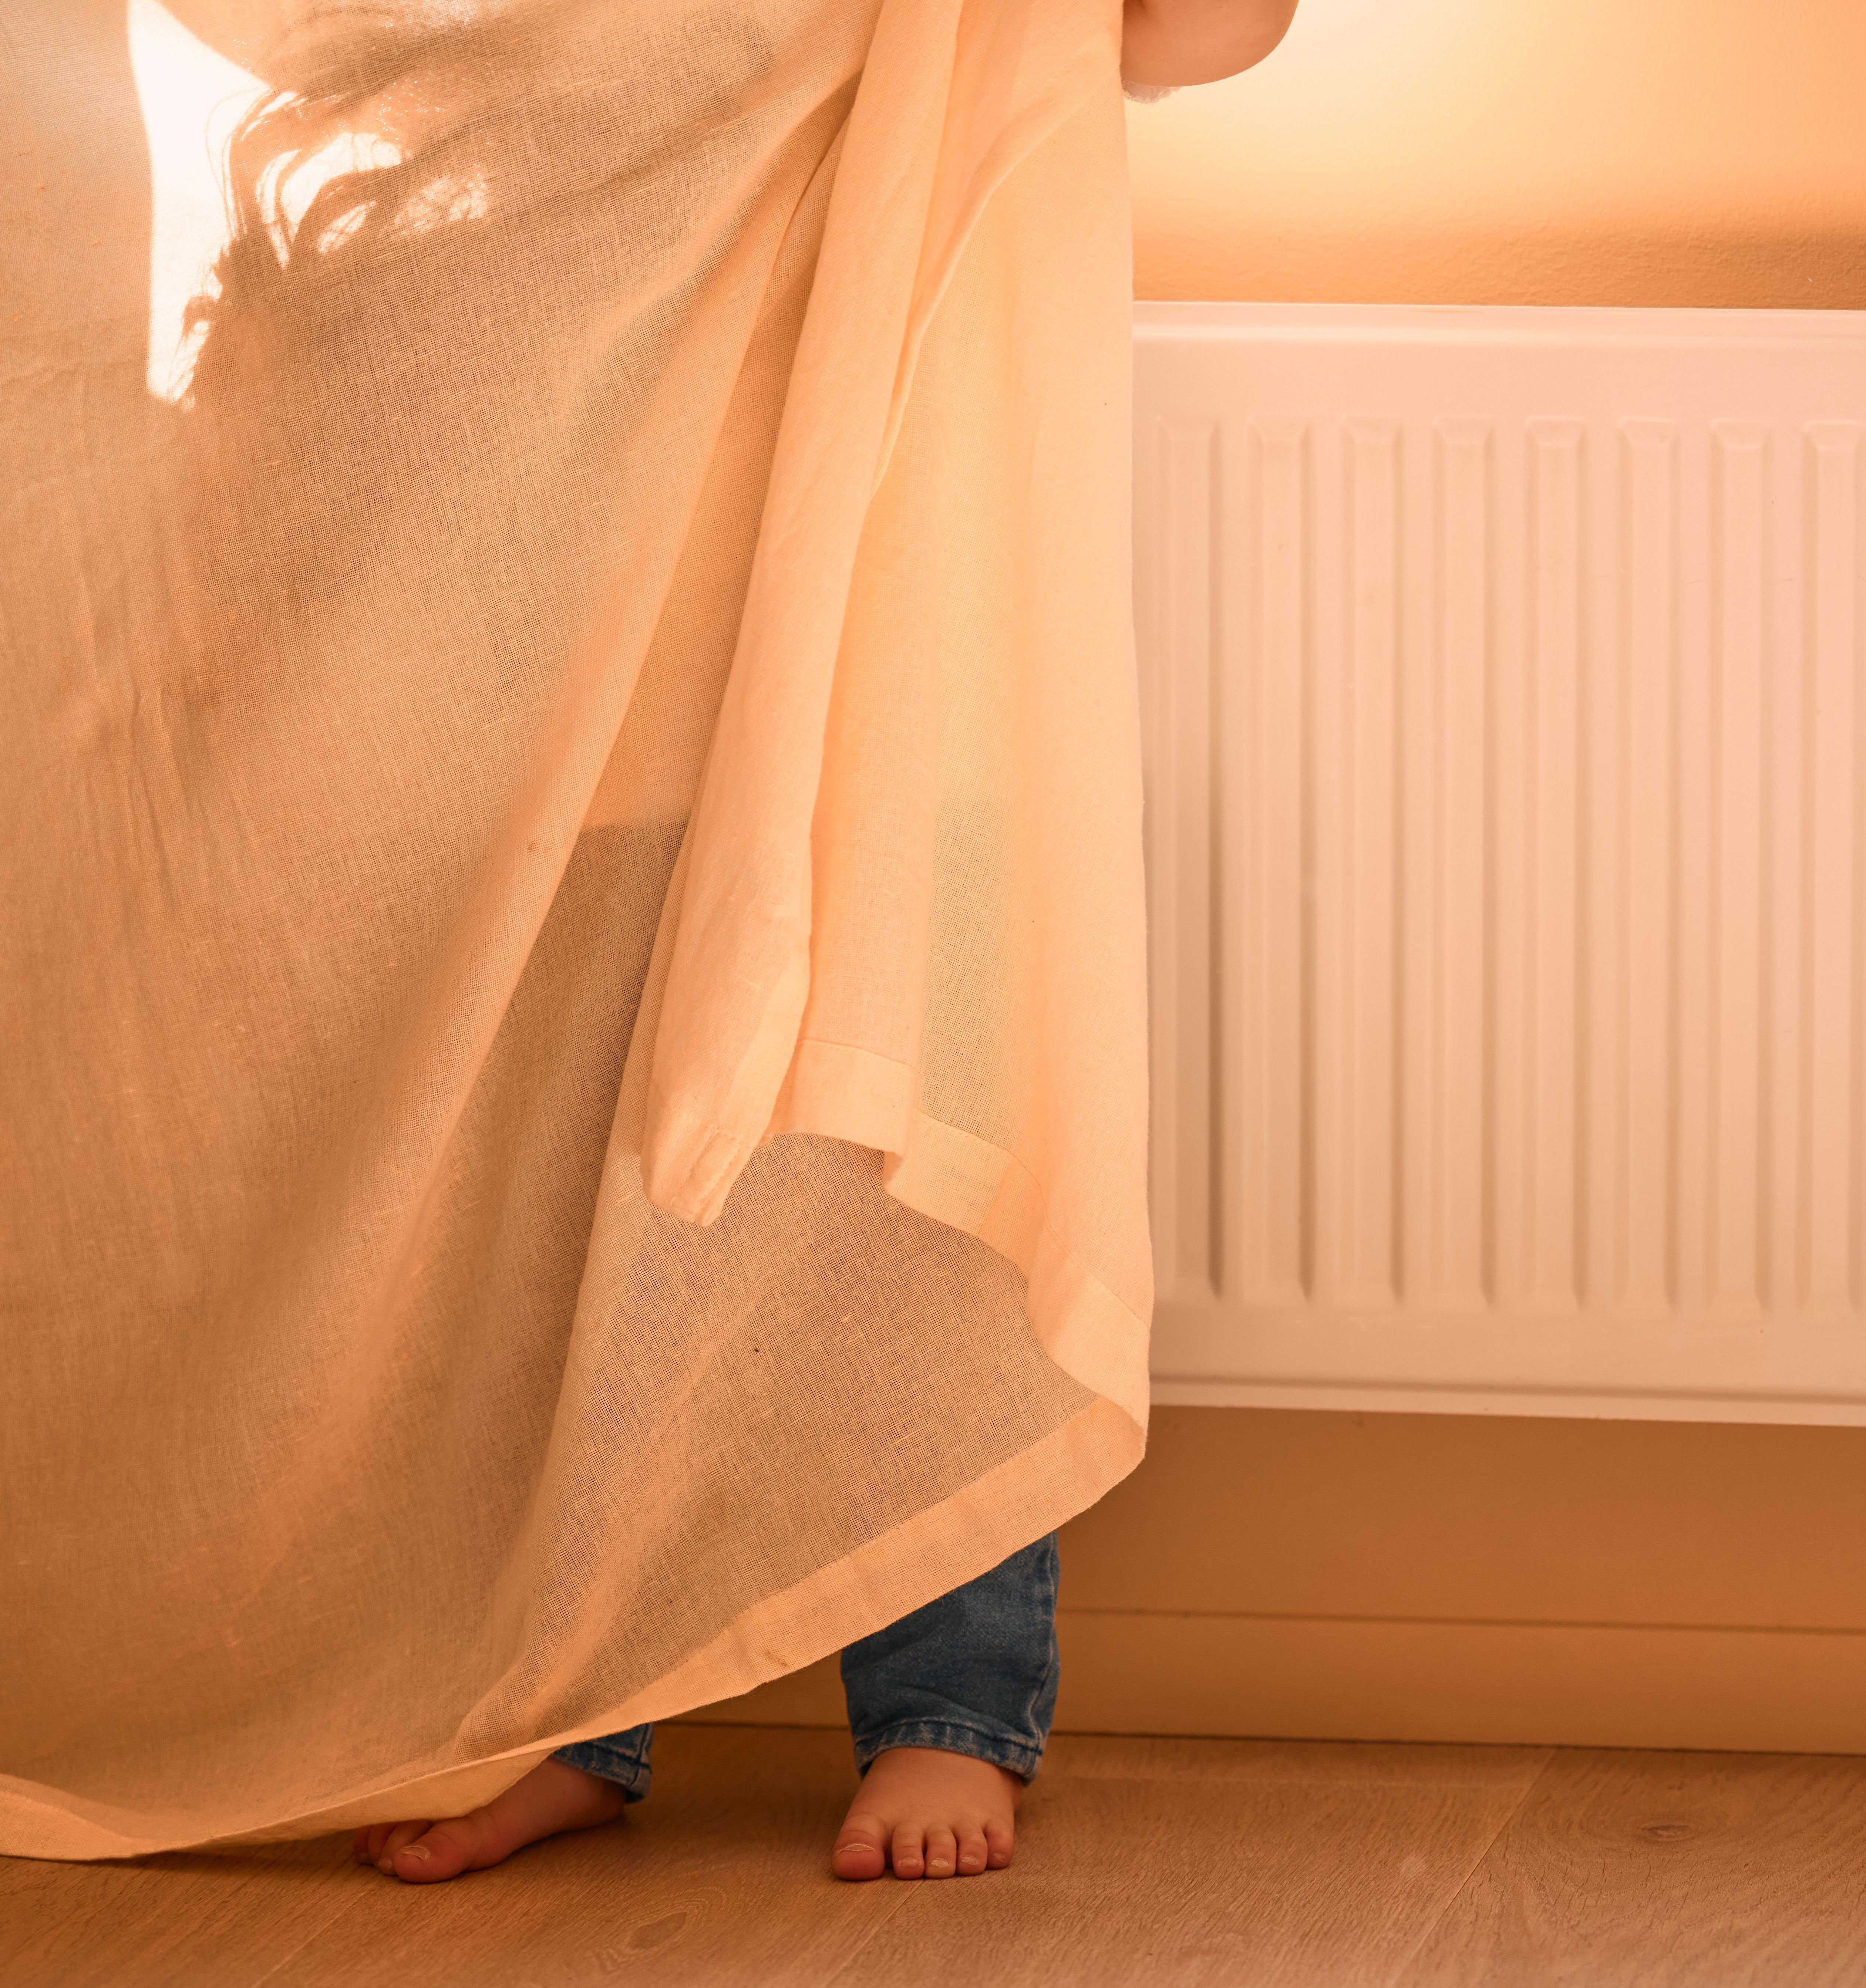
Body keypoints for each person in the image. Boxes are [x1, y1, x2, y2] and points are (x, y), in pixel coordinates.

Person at [341, 0, 1297, 1889]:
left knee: (898, 1170)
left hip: (887, 629)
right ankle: (564, 1700)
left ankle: (949, 1703)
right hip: (564, 623)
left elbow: (1206, 31)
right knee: (554, 1189)